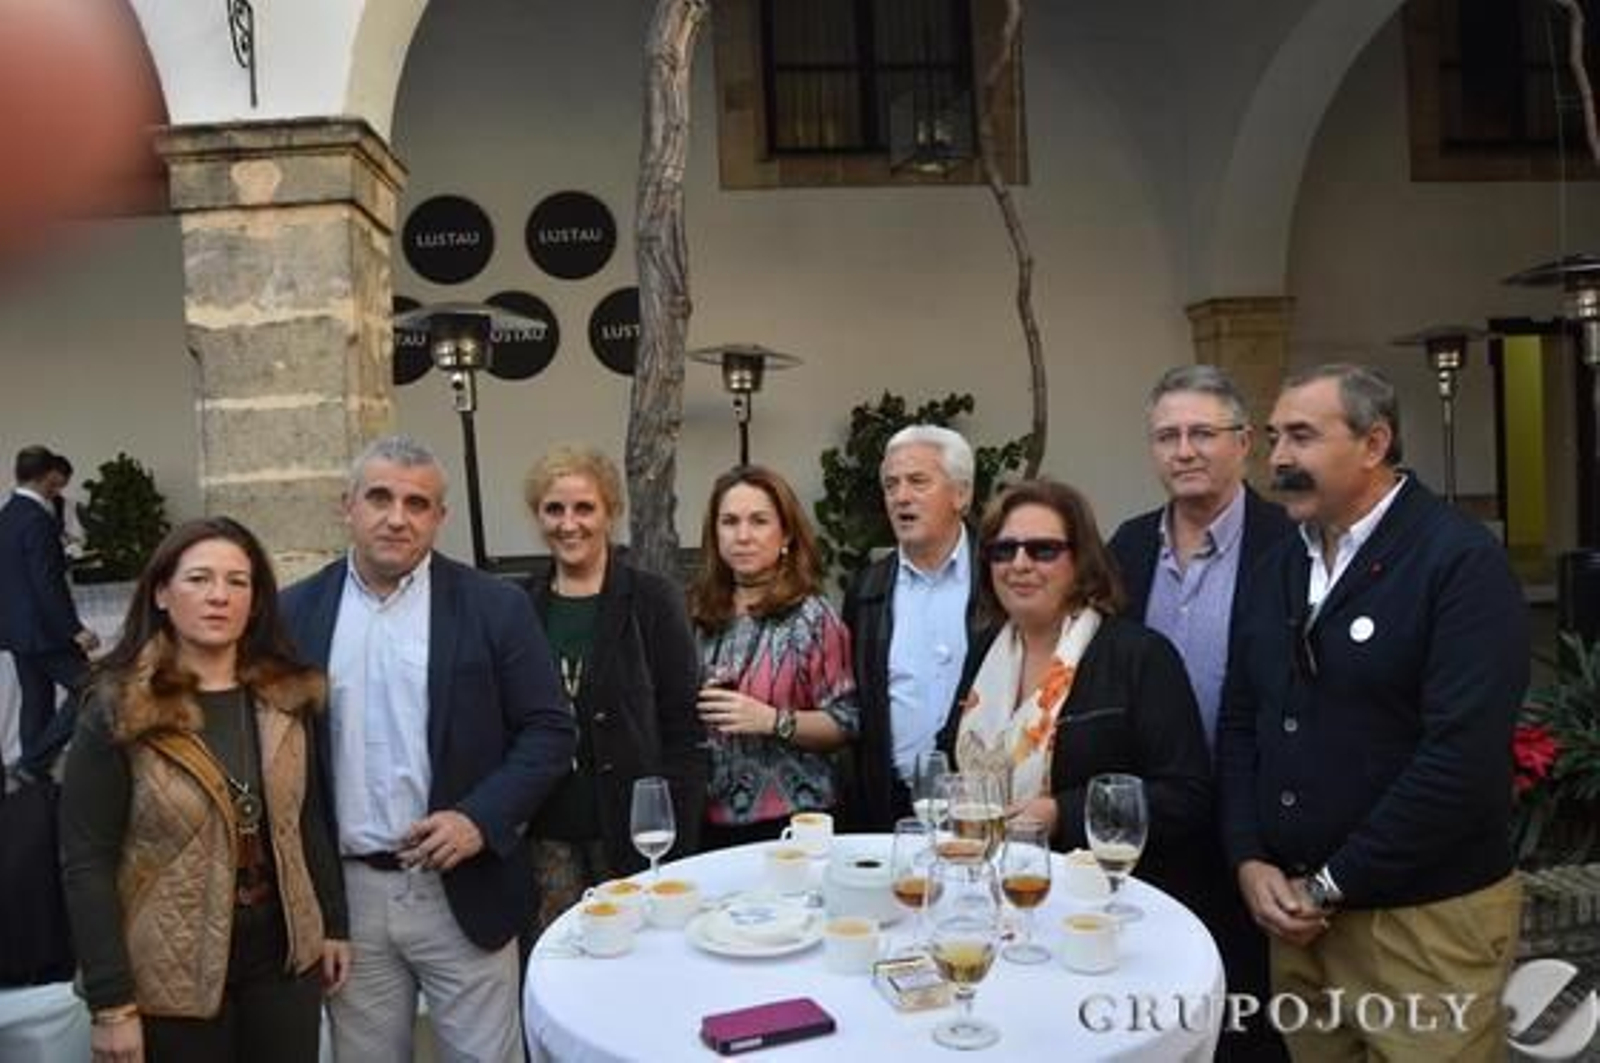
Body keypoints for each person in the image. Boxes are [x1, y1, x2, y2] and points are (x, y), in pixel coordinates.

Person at [1218, 364, 1527, 1061]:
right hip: (1297, 922)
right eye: (1274, 438)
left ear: (1374, 442)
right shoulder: (1281, 563)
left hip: (1423, 924)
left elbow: (1462, 758)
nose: (1280, 459)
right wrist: (1248, 858)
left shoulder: (1459, 562)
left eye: (1302, 435)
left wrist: (1331, 882)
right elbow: (1243, 720)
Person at [280, 435, 575, 1063]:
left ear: (440, 518)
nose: (397, 517)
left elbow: (550, 731)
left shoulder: (496, 606)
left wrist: (479, 818)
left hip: (464, 890)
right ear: (348, 507)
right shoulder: (294, 614)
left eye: (418, 503)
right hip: (349, 899)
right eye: (380, 498)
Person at [59, 517, 349, 1063]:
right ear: (162, 592)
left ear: (257, 600)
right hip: (172, 976)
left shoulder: (285, 697)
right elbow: (86, 862)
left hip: (284, 961)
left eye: (238, 582)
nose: (219, 596)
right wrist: (111, 1003)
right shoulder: (118, 709)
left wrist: (331, 923)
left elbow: (305, 819)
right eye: (199, 579)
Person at [1108, 365, 1292, 1061]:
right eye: (1166, 436)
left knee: (1250, 1018)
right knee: (1155, 1005)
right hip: (1154, 826)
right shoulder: (1126, 546)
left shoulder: (1289, 544)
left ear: (1242, 442)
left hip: (1259, 828)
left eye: (1201, 433)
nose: (1183, 450)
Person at [940, 479, 1211, 903]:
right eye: (1003, 550)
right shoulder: (984, 650)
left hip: (1102, 899)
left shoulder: (1139, 656)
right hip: (986, 889)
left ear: (1081, 561)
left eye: (1043, 550)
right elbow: (949, 755)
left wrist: (1061, 813)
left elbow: (1184, 795)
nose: (1020, 563)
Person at [522, 445, 705, 930]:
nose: (569, 523)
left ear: (611, 513)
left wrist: (675, 840)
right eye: (554, 509)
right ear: (537, 515)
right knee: (563, 960)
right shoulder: (518, 606)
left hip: (632, 832)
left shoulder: (653, 600)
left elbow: (683, 728)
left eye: (585, 507)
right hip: (547, 833)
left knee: (638, 960)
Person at [689, 465, 858, 850]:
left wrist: (771, 721)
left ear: (785, 534)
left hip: (795, 825)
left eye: (759, 521)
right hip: (710, 823)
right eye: (730, 522)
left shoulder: (812, 616)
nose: (743, 535)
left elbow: (847, 722)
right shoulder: (697, 613)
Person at [842, 425, 981, 830]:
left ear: (961, 494)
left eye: (918, 481)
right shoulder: (867, 588)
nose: (901, 496)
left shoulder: (998, 576)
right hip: (892, 807)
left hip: (985, 804)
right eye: (891, 485)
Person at [0, 445, 98, 780]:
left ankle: (31, 782)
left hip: (15, 629)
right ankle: (34, 764)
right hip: (45, 630)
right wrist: (75, 629)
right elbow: (47, 584)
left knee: (36, 701)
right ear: (47, 476)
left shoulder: (6, 515)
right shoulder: (37, 519)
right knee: (93, 689)